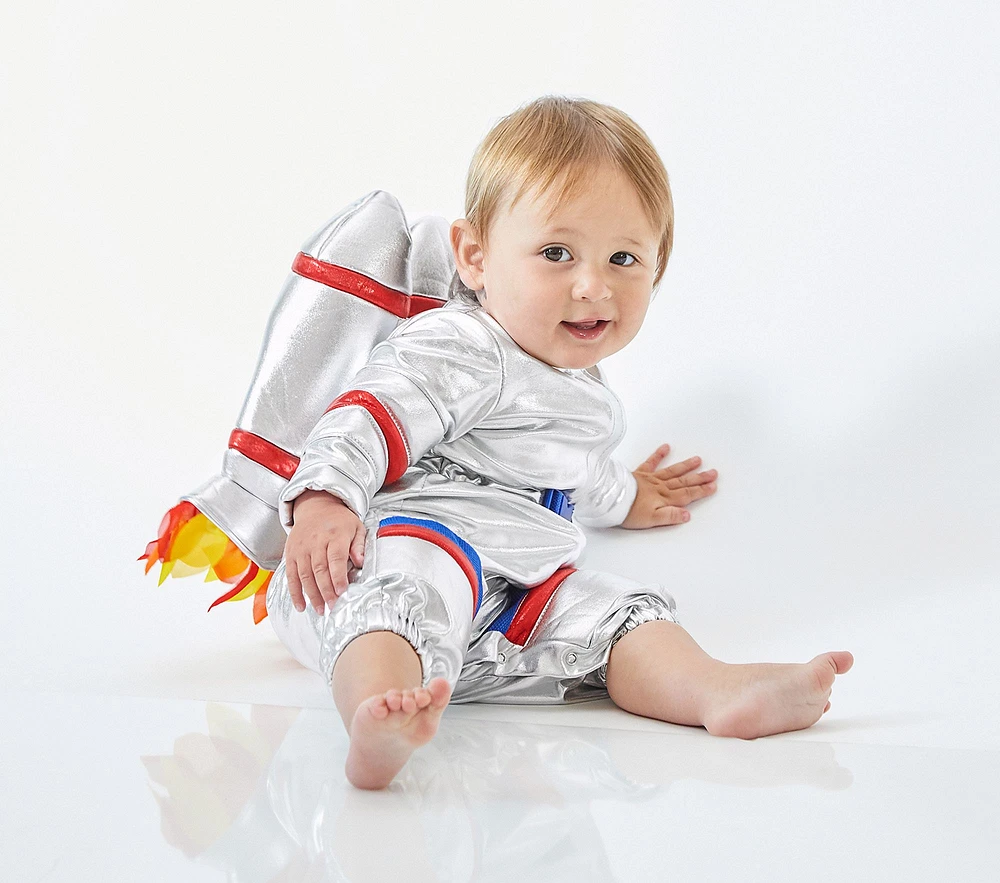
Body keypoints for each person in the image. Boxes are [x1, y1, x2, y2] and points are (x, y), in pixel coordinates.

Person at [264, 95, 854, 790]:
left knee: (616, 612)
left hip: (520, 589)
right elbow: (367, 413)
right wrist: (326, 496)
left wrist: (629, 495)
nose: (592, 285)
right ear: (475, 257)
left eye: (624, 257)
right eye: (555, 252)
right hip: (395, 547)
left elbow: (577, 470)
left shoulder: (585, 391)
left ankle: (711, 689)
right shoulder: (464, 344)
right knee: (410, 587)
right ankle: (375, 711)